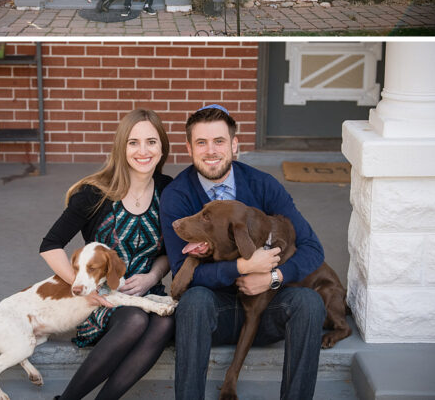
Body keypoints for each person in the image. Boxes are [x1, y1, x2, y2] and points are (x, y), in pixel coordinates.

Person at [160, 104, 327, 400]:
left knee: (309, 302)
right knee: (194, 301)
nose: (211, 151)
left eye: (219, 141)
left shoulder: (262, 185)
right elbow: (181, 274)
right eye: (201, 142)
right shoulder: (178, 195)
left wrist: (273, 277)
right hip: (214, 314)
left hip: (265, 311)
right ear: (189, 148)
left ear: (235, 144)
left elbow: (313, 250)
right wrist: (242, 267)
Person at [39, 109, 175, 399]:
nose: (143, 151)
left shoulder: (169, 191)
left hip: (148, 293)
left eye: (151, 142)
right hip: (103, 299)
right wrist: (83, 287)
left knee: (165, 322)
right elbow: (50, 246)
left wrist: (152, 277)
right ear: (121, 147)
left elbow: (170, 253)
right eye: (133, 142)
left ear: (162, 147)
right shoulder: (95, 193)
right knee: (135, 320)